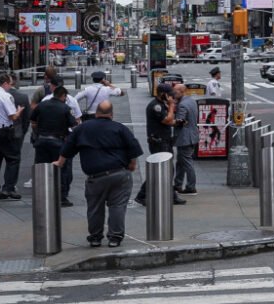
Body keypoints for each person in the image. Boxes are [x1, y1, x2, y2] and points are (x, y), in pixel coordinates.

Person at [56, 100, 143, 248]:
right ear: (111, 114)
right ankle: (115, 238)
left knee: (95, 208)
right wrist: (132, 165)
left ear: (96, 113)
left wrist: (59, 163)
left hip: (95, 177)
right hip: (119, 174)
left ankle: (95, 238)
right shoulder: (120, 128)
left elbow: (67, 148)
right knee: (117, 206)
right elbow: (133, 147)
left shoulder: (82, 128)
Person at [134, 83, 186, 206]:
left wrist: (177, 122)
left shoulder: (162, 104)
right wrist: (172, 106)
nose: (171, 97)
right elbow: (167, 120)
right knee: (159, 170)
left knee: (168, 170)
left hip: (165, 140)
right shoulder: (155, 106)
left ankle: (170, 195)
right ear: (163, 94)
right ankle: (142, 195)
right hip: (159, 142)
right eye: (169, 95)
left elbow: (169, 121)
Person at [29, 85, 77, 206]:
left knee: (41, 168)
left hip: (41, 141)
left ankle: (41, 196)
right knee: (61, 169)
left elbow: (33, 121)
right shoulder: (65, 108)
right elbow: (73, 125)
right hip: (58, 142)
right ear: (63, 96)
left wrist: (38, 132)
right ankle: (61, 197)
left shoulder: (41, 105)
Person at [172, 83, 199, 194]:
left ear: (181, 92)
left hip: (185, 137)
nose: (173, 94)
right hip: (192, 135)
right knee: (180, 162)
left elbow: (179, 121)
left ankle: (191, 187)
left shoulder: (182, 105)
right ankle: (178, 184)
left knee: (187, 162)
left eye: (175, 92)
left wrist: (170, 119)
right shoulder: (191, 101)